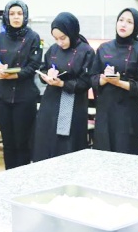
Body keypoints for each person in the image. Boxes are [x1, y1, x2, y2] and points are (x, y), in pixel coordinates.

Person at [32, 12, 95, 162]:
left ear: (72, 32)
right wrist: (46, 75)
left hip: (72, 102)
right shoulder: (53, 49)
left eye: (63, 38)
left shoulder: (86, 51)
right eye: (56, 39)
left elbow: (87, 82)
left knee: (66, 145)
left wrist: (63, 83)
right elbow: (44, 67)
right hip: (51, 100)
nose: (59, 42)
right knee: (46, 139)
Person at [90, 8, 138, 155]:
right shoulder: (104, 48)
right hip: (105, 110)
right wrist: (104, 79)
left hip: (128, 112)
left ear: (136, 27)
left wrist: (119, 83)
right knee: (103, 154)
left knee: (126, 155)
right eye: (121, 20)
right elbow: (92, 78)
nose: (123, 24)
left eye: (129, 22)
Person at [0, 0, 42, 169]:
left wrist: (14, 75)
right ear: (6, 16)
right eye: (12, 14)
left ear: (25, 16)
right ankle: (9, 178)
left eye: (19, 14)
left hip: (24, 96)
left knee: (23, 142)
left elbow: (34, 65)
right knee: (8, 142)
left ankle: (23, 179)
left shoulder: (33, 37)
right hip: (2, 96)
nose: (15, 17)